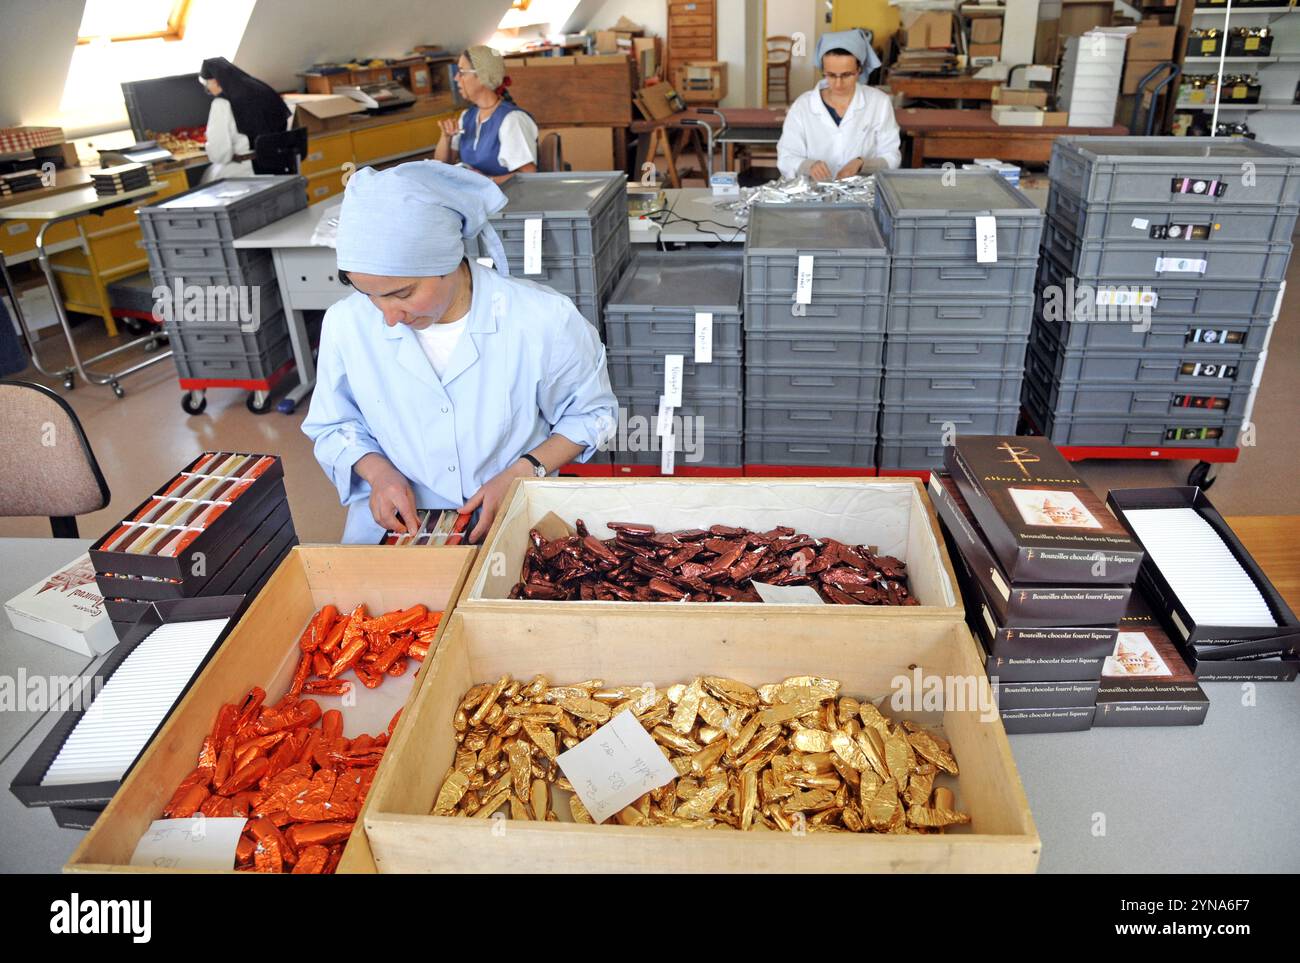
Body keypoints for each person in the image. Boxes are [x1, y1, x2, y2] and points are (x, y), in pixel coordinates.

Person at [301, 161, 616, 544]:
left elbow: (591, 414)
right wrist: (378, 473)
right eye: (368, 295)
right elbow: (335, 424)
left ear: (447, 261)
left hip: (515, 511)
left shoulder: (540, 318)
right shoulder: (345, 323)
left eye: (402, 294)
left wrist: (524, 471)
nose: (387, 317)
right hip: (400, 525)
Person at [776, 29, 901, 180]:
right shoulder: (803, 106)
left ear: (859, 69)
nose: (838, 83)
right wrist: (808, 166)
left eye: (847, 75)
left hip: (861, 193)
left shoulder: (879, 103)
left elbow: (891, 156)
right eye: (831, 75)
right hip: (813, 195)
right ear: (823, 70)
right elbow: (786, 157)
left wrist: (862, 164)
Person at [433, 46, 538, 183]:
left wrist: (485, 183)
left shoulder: (512, 120)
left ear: (482, 76)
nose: (456, 77)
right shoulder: (467, 116)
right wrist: (446, 138)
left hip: (508, 200)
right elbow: (440, 167)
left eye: (461, 72)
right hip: (478, 199)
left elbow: (528, 176)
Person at [198, 57, 290, 182]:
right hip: (278, 164)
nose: (209, 90)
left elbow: (220, 154)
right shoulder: (262, 89)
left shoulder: (222, 104)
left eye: (207, 85)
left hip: (246, 170)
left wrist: (209, 142)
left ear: (216, 81)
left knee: (207, 181)